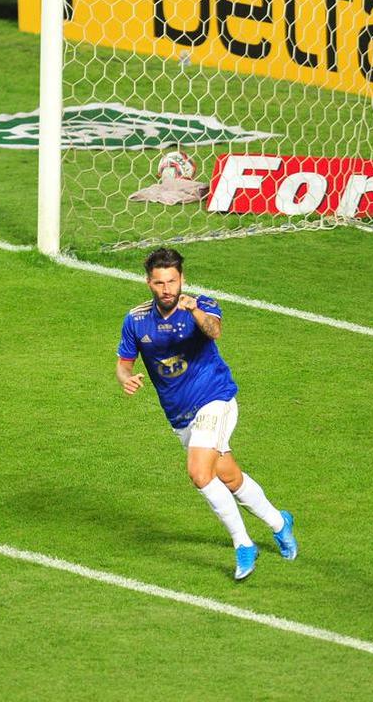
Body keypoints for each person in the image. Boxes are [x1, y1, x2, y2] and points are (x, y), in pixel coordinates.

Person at [116, 247, 297, 580]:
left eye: (172, 281)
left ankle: (243, 544)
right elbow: (123, 363)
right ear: (148, 283)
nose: (166, 288)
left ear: (182, 279)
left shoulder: (202, 305)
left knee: (199, 473)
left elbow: (214, 331)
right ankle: (278, 521)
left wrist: (195, 311)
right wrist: (127, 379)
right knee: (227, 476)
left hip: (216, 399)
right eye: (159, 283)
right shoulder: (136, 318)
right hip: (180, 415)